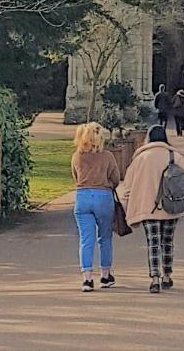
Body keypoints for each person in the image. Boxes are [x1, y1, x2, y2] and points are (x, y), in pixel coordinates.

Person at [119, 125, 184, 293]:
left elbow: (128, 185)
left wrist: (126, 206)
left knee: (153, 242)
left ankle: (154, 278)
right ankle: (167, 275)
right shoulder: (174, 156)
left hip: (147, 207)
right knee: (168, 241)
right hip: (171, 205)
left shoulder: (141, 158)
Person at [71, 121, 119, 292]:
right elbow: (116, 178)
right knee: (105, 238)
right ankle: (105, 275)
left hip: (83, 197)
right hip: (103, 196)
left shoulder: (77, 156)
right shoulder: (107, 156)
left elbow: (75, 177)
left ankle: (87, 278)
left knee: (86, 239)